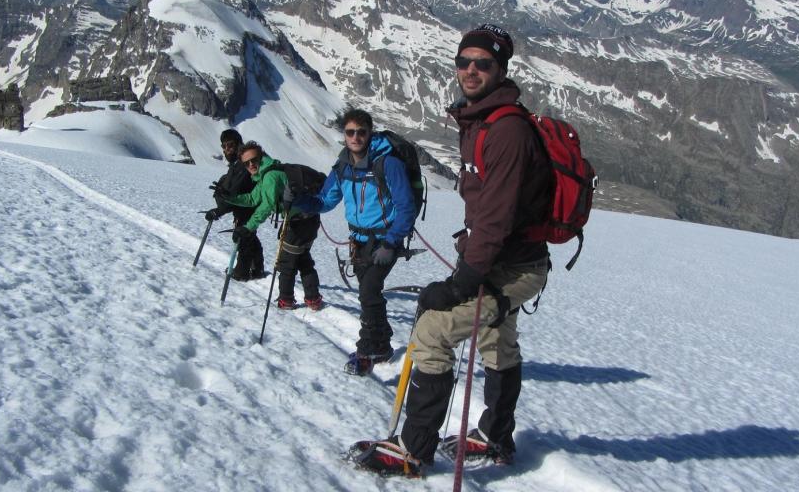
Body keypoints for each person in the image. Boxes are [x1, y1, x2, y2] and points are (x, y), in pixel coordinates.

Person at [354, 24, 551, 475]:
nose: (470, 70)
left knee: (433, 330)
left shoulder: (505, 131)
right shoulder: (478, 120)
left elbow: (497, 219)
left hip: (513, 267)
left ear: (501, 69)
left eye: (483, 64)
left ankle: (413, 450)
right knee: (497, 341)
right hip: (504, 260)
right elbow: (490, 211)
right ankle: (496, 437)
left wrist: (459, 282)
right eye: (464, 62)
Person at [292, 109, 417, 375]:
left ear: (370, 133)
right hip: (358, 241)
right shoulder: (342, 168)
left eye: (361, 131)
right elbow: (325, 202)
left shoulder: (388, 164)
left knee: (369, 292)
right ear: (344, 135)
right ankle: (382, 344)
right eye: (350, 132)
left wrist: (391, 243)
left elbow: (406, 207)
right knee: (369, 295)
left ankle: (366, 351)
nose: (356, 137)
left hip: (384, 240)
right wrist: (298, 201)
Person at [220, 141, 324, 310]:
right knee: (302, 258)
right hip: (309, 220)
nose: (251, 165)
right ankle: (313, 298)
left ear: (262, 157)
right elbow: (253, 198)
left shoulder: (270, 176)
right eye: (246, 163)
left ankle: (286, 300)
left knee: (286, 262)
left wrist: (248, 228)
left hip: (298, 222)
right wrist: (229, 198)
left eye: (254, 160)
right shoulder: (267, 173)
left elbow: (266, 206)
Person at [204, 130, 265, 281]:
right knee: (249, 236)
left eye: (230, 145)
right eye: (224, 146)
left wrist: (218, 210)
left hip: (248, 207)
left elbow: (232, 195)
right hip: (247, 207)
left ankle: (241, 273)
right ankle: (257, 269)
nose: (226, 150)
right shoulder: (238, 164)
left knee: (243, 237)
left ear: (238, 144)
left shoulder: (242, 165)